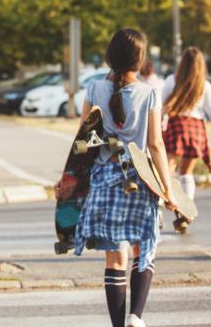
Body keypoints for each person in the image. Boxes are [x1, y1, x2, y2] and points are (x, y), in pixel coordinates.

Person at [57, 28, 177, 327]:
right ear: (140, 59)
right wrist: (169, 190)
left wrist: (68, 179)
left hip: (104, 183)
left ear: (110, 56)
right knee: (142, 251)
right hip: (140, 181)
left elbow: (82, 142)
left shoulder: (95, 89)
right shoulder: (149, 92)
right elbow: (155, 145)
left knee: (115, 260)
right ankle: (137, 316)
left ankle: (119, 325)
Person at [162, 47, 211, 203]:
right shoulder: (204, 86)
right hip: (196, 131)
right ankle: (186, 213)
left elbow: (160, 108)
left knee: (167, 170)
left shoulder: (171, 80)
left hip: (176, 128)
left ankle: (161, 206)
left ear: (182, 63)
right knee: (186, 173)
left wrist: (158, 127)